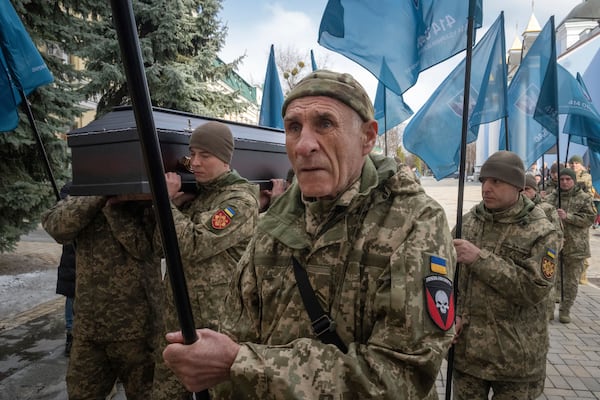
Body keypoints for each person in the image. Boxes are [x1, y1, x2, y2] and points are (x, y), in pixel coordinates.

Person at [161, 70, 456, 399]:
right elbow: (237, 329)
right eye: (293, 127)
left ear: (368, 137)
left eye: (325, 124)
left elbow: (401, 376)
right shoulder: (276, 220)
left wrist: (239, 363)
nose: (303, 145)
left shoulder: (414, 223)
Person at [152, 121, 260, 399]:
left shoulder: (239, 201)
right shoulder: (196, 196)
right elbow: (159, 246)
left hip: (214, 327)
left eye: (205, 156)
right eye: (192, 155)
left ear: (225, 159)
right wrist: (174, 205)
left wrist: (164, 203)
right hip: (177, 319)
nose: (194, 163)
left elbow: (195, 244)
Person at [452, 151, 560, 399]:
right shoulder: (468, 223)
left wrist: (480, 259)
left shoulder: (541, 231)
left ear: (517, 186)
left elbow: (534, 288)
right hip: (469, 357)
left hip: (516, 361)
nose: (486, 188)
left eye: (496, 181)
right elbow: (445, 275)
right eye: (483, 181)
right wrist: (451, 315)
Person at [42, 194, 156, 400]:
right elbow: (57, 228)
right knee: (80, 394)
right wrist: (98, 195)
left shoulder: (142, 198)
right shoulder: (84, 192)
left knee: (145, 394)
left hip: (136, 328)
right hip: (89, 327)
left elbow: (145, 248)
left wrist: (113, 209)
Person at [544, 168, 596, 323]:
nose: (565, 182)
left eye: (568, 179)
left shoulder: (584, 198)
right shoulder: (551, 197)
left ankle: (565, 310)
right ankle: (548, 310)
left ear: (574, 180)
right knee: (550, 279)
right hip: (554, 246)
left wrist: (569, 217)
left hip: (576, 248)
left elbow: (590, 218)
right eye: (562, 179)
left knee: (571, 282)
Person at [523, 173, 563, 320]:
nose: (523, 192)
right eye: (519, 189)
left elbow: (557, 237)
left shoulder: (547, 209)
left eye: (527, 189)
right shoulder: (512, 209)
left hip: (542, 261)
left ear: (535, 190)